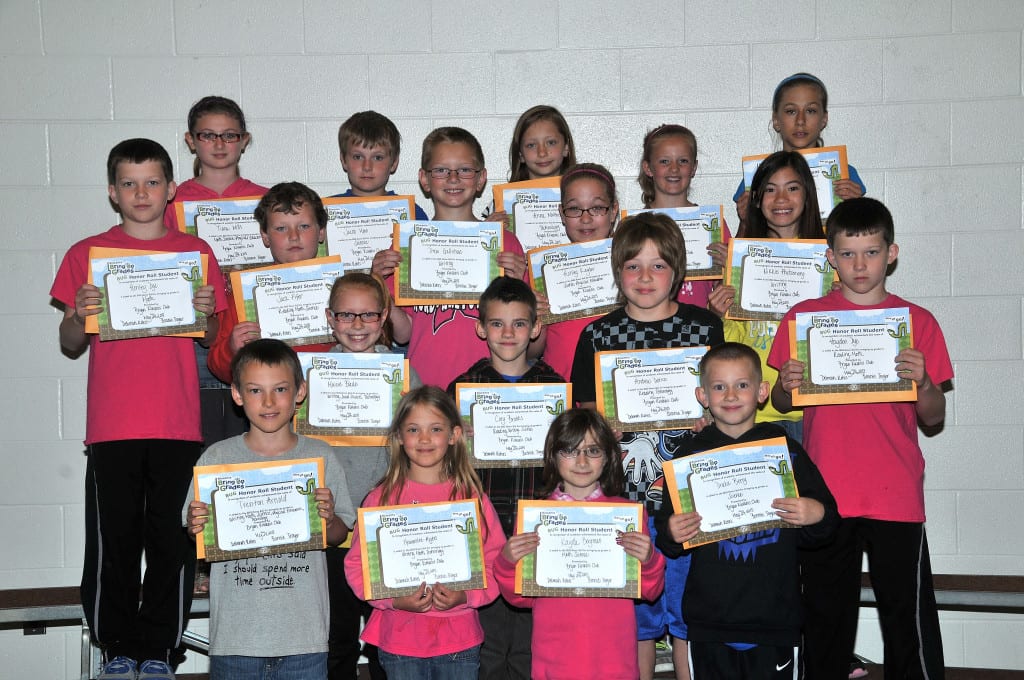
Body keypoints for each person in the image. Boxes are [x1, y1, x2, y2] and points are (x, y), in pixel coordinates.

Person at [51, 138, 226, 680]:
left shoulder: (195, 253)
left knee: (172, 542)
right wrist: (77, 314)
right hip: (112, 427)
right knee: (114, 544)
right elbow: (70, 343)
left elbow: (211, 337)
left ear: (171, 189)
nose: (141, 193)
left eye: (152, 182)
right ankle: (116, 649)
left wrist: (206, 314)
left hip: (177, 424)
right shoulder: (88, 253)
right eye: (129, 183)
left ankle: (160, 652)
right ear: (113, 192)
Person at [768, 197, 952, 679]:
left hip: (896, 492)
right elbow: (783, 404)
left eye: (871, 252)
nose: (860, 264)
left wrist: (924, 383)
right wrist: (786, 384)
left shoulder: (918, 322)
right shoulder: (803, 319)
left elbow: (934, 417)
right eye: (848, 254)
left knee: (905, 620)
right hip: (826, 495)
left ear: (892, 253)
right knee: (825, 619)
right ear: (831, 257)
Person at [570, 212, 724, 680]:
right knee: (636, 620)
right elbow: (585, 417)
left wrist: (712, 416)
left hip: (688, 499)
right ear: (617, 271)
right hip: (624, 499)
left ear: (677, 271)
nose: (644, 277)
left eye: (658, 266)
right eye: (633, 265)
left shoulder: (705, 329)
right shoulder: (597, 335)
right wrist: (603, 428)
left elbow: (727, 401)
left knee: (687, 612)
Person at [655, 342, 838, 678]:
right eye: (718, 387)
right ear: (702, 396)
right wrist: (671, 531)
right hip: (708, 621)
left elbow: (826, 524)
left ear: (762, 391)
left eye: (742, 384)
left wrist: (814, 513)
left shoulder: (786, 451)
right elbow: (667, 533)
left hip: (775, 620)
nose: (730, 395)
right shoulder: (687, 457)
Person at [184, 339, 356, 679]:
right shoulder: (217, 459)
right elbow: (195, 533)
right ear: (237, 395)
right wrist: (195, 524)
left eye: (280, 389)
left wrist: (329, 519)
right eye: (255, 390)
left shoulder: (321, 456)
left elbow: (339, 535)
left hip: (304, 640)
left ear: (300, 391)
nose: (268, 402)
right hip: (235, 640)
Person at [445, 275, 564, 680]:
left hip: (537, 531)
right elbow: (441, 462)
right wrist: (457, 442)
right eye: (497, 323)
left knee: (532, 644)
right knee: (490, 646)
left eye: (518, 323)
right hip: (485, 532)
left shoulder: (555, 387)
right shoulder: (462, 389)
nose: (508, 333)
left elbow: (570, 459)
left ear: (535, 328)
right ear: (481, 329)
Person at [344, 386, 505, 680]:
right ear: (399, 437)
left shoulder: (472, 498)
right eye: (413, 429)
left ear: (454, 435)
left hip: (459, 639)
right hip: (400, 639)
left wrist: (465, 595)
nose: (425, 438)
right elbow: (358, 566)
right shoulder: (382, 499)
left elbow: (497, 562)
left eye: (436, 429)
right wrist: (394, 600)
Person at [494, 409, 665, 680]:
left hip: (614, 662)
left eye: (593, 450)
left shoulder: (627, 515)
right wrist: (506, 562)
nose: (582, 461)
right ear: (553, 456)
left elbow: (649, 591)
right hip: (554, 661)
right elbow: (521, 597)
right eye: (570, 451)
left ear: (608, 456)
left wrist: (649, 560)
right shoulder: (535, 518)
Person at [370, 126, 530, 388]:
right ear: (424, 179)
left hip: (489, 388)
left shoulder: (505, 243)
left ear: (481, 179)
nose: (453, 178)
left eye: (464, 170)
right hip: (426, 388)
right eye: (441, 170)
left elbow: (528, 331)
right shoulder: (407, 246)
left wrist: (519, 282)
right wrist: (377, 284)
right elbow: (404, 334)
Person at [322, 272, 422, 680]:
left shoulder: (404, 375)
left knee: (387, 641)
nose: (358, 324)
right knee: (336, 637)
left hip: (387, 527)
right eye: (346, 315)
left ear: (384, 318)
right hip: (334, 527)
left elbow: (422, 444)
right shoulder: (310, 376)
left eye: (368, 315)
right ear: (330, 318)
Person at [706, 151, 823, 443]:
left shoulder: (829, 260)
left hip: (811, 412)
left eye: (792, 188)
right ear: (756, 200)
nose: (781, 198)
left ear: (808, 196)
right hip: (753, 414)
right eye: (770, 190)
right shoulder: (741, 261)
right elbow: (734, 339)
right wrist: (717, 316)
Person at [207, 181, 336, 384]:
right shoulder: (245, 295)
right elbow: (217, 367)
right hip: (267, 398)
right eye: (281, 228)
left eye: (304, 226)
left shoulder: (342, 291)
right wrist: (231, 349)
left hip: (327, 393)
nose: (294, 236)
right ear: (265, 236)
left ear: (321, 231)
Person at [733, 73, 866, 234]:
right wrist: (747, 220)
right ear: (776, 120)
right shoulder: (758, 174)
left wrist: (856, 209)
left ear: (824, 119)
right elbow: (743, 242)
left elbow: (858, 238)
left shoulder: (845, 174)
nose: (800, 121)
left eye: (810, 110)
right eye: (791, 111)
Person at [536, 162, 620, 382]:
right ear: (562, 214)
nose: (585, 218)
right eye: (574, 209)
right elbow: (532, 352)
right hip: (562, 386)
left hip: (616, 388)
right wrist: (536, 320)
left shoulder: (631, 266)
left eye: (597, 208)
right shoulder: (544, 273)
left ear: (613, 211)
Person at [637, 123, 730, 310]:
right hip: (647, 324)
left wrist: (730, 266)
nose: (674, 169)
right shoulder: (634, 226)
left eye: (683, 161)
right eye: (664, 161)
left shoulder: (713, 224)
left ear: (694, 168)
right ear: (648, 168)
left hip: (700, 323)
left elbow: (726, 288)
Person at [487, 104, 577, 225]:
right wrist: (489, 229)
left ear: (566, 147)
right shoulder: (500, 204)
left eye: (551, 142)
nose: (542, 153)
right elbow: (486, 236)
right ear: (520, 154)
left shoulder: (583, 197)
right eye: (531, 145)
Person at [331, 109, 429, 219]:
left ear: (394, 163)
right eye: (358, 157)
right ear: (343, 160)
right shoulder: (324, 213)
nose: (367, 167)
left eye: (378, 158)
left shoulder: (413, 213)